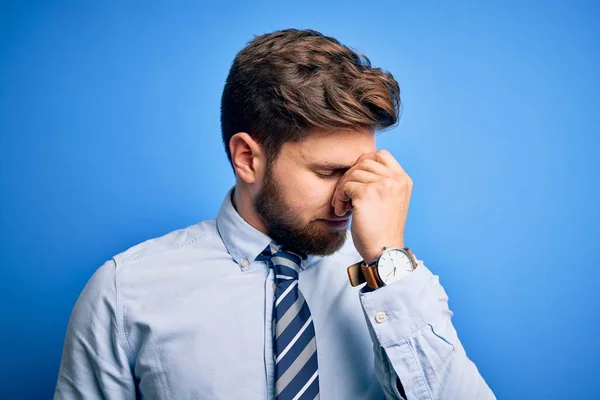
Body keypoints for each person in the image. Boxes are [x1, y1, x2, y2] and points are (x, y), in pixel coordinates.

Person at [54, 28, 496, 400]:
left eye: (363, 168)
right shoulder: (125, 292)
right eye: (327, 172)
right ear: (247, 158)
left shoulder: (395, 286)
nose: (351, 196)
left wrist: (387, 263)